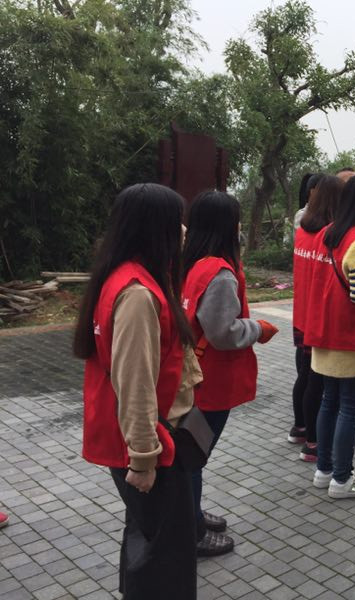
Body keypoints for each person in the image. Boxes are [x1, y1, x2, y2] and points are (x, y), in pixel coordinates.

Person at [74, 183, 198, 599]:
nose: (184, 231)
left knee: (148, 542)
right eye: (177, 221)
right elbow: (136, 383)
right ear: (154, 228)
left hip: (144, 436)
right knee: (164, 555)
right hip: (149, 442)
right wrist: (144, 459)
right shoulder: (138, 294)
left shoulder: (124, 277)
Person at [182, 191, 278, 556]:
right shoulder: (220, 273)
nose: (240, 227)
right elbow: (223, 332)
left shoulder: (194, 264)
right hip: (210, 379)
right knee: (194, 456)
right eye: (237, 220)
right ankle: (191, 531)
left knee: (193, 452)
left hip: (194, 376)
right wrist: (259, 328)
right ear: (226, 226)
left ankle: (192, 513)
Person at [304, 174, 355, 499]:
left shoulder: (328, 233)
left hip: (323, 331)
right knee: (350, 409)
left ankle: (324, 470)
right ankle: (342, 479)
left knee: (329, 402)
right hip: (348, 337)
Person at [291, 175, 342, 461]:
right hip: (320, 317)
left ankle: (300, 428)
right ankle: (312, 442)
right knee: (317, 381)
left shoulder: (303, 231)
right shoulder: (330, 235)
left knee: (305, 374)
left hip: (301, 313)